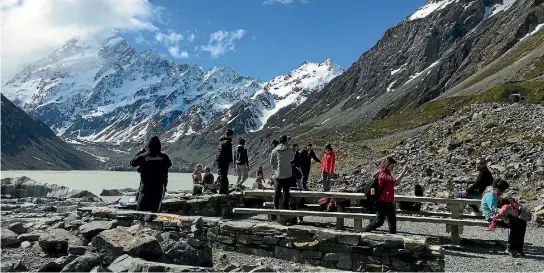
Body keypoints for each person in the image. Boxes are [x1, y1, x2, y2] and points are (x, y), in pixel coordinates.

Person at [362, 156, 409, 234]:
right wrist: (404, 171)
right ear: (387, 164)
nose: (393, 168)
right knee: (387, 220)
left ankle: (364, 232)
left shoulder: (383, 172)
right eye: (392, 166)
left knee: (384, 221)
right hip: (383, 202)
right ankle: (364, 232)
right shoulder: (384, 175)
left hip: (384, 201)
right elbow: (396, 181)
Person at [481, 179, 526, 257]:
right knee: (515, 224)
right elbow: (494, 209)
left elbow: (500, 205)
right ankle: (511, 248)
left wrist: (509, 202)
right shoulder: (490, 195)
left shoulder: (495, 194)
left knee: (522, 223)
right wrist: (509, 212)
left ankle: (518, 247)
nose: (502, 192)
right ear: (498, 189)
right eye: (503, 190)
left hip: (499, 216)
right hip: (492, 218)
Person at [130, 136, 172, 212]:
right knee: (155, 208)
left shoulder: (143, 156)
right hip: (159, 186)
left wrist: (142, 152)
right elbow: (169, 164)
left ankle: (140, 223)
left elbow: (132, 162)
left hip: (146, 186)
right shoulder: (164, 157)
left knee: (141, 208)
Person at [270, 135, 294, 218]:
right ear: (286, 141)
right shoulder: (289, 150)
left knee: (277, 191)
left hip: (278, 174)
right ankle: (285, 207)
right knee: (286, 192)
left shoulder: (274, 151)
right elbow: (292, 158)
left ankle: (275, 207)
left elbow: (272, 163)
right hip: (287, 173)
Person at [215, 129, 234, 194]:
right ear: (230, 135)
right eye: (232, 135)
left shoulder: (221, 141)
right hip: (224, 160)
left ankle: (222, 189)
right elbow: (229, 152)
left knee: (222, 174)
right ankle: (223, 190)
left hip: (219, 159)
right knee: (224, 175)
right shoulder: (228, 142)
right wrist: (231, 161)